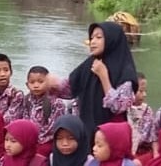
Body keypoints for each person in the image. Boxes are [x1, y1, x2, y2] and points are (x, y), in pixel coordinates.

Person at [58, 22, 138, 153]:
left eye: (99, 37)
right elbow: (68, 89)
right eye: (92, 38)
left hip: (110, 136)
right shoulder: (89, 63)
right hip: (86, 129)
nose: (93, 42)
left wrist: (103, 76)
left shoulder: (125, 71)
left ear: (112, 40)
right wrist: (48, 84)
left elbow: (118, 107)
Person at [25, 65, 72, 156]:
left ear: (48, 83)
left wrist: (37, 140)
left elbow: (53, 128)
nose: (36, 85)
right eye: (32, 82)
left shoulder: (56, 103)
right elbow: (25, 119)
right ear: (27, 85)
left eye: (40, 82)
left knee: (39, 154)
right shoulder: (27, 100)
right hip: (31, 138)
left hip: (47, 141)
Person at [127, 76, 154, 162]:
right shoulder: (123, 109)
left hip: (140, 152)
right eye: (141, 91)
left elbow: (145, 137)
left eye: (145, 91)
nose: (144, 95)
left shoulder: (147, 110)